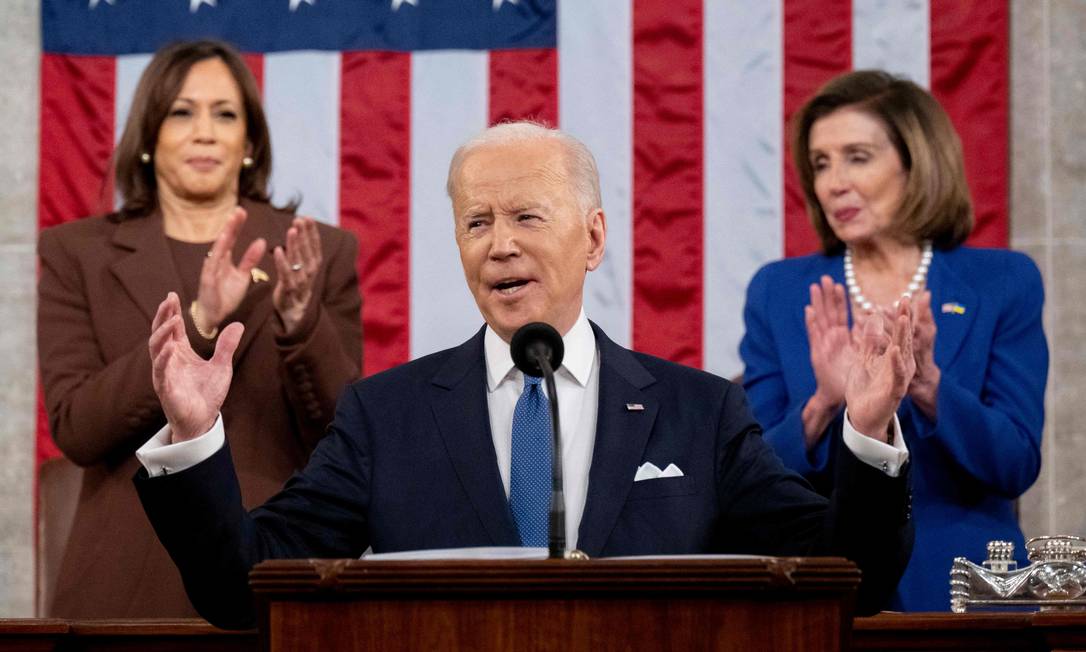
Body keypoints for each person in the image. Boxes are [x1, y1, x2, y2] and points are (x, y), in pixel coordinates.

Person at [135, 122, 913, 630]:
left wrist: (869, 432)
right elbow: (243, 586)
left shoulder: (699, 413)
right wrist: (197, 435)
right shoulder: (386, 416)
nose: (498, 246)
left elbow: (853, 575)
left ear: (594, 238)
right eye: (477, 223)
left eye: (527, 217)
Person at [37, 39, 363, 618]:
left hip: (273, 571)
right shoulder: (76, 253)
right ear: (149, 135)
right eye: (182, 112)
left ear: (250, 141)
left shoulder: (318, 252)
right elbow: (77, 429)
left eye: (226, 114)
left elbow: (343, 435)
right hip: (126, 577)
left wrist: (299, 322)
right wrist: (200, 322)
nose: (205, 131)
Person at [740, 70, 1047, 611]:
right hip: (821, 594)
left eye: (857, 157)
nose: (833, 182)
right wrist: (822, 405)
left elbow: (1015, 463)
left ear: (915, 162)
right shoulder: (780, 291)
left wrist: (927, 384)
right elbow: (749, 473)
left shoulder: (1001, 282)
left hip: (964, 595)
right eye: (820, 163)